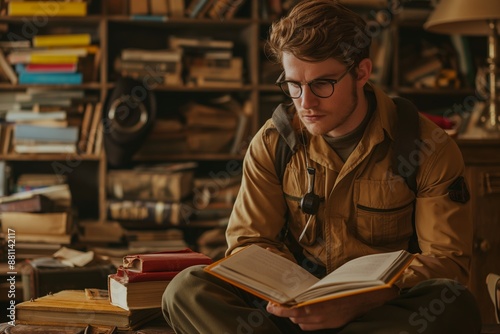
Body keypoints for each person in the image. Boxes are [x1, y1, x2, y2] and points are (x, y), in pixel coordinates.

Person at [162, 1, 482, 333]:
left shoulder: (428, 147)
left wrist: (359, 300)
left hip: (380, 309)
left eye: (322, 84)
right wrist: (297, 297)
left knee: (453, 302)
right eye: (294, 85)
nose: (306, 103)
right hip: (293, 311)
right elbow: (249, 242)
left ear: (361, 73)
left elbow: (447, 264)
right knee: (187, 289)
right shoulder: (273, 142)